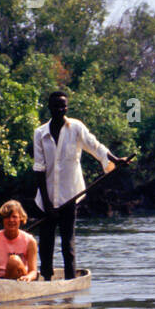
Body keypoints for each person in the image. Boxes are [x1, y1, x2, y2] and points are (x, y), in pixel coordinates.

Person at [33, 91, 132, 281]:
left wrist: (115, 159)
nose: (60, 110)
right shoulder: (40, 133)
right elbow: (39, 169)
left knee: (68, 244)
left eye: (63, 106)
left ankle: (70, 280)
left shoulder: (76, 128)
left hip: (69, 195)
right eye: (56, 106)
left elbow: (95, 146)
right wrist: (46, 203)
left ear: (67, 108)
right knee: (45, 243)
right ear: (49, 108)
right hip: (46, 197)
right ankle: (46, 279)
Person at [0, 200, 39, 280]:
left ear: (20, 219)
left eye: (14, 217)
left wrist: (28, 277)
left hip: (21, 280)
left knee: (14, 260)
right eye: (7, 217)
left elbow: (33, 271)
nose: (11, 220)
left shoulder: (30, 241)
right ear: (2, 219)